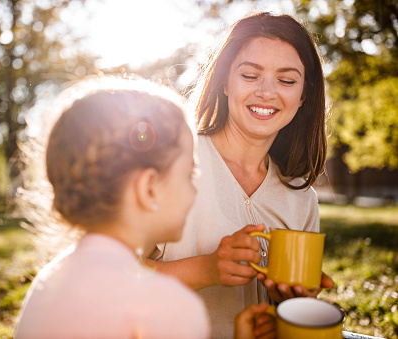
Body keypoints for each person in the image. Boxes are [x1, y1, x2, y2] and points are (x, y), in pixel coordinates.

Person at [14, 76, 271, 339]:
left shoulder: (48, 281)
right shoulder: (167, 307)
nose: (194, 190)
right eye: (189, 174)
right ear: (149, 189)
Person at [148, 12, 334, 338]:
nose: (266, 92)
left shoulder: (301, 199)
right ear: (224, 81)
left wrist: (287, 302)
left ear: (304, 95)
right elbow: (107, 272)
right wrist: (204, 269)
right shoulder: (170, 161)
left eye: (287, 80)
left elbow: (284, 320)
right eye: (250, 75)